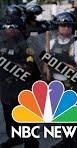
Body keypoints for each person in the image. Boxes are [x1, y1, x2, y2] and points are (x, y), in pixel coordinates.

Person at [48, 12, 77, 147]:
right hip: (56, 85)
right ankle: (66, 141)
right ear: (57, 27)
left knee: (76, 120)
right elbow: (46, 68)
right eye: (62, 25)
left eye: (69, 25)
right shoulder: (50, 42)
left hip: (73, 86)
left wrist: (55, 63)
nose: (66, 28)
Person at [0, 15, 39, 147]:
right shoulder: (2, 42)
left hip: (24, 85)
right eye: (6, 26)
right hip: (6, 86)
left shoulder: (28, 43)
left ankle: (31, 143)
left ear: (20, 29)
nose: (8, 29)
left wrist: (25, 66)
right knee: (9, 114)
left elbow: (32, 66)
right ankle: (15, 137)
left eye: (12, 27)